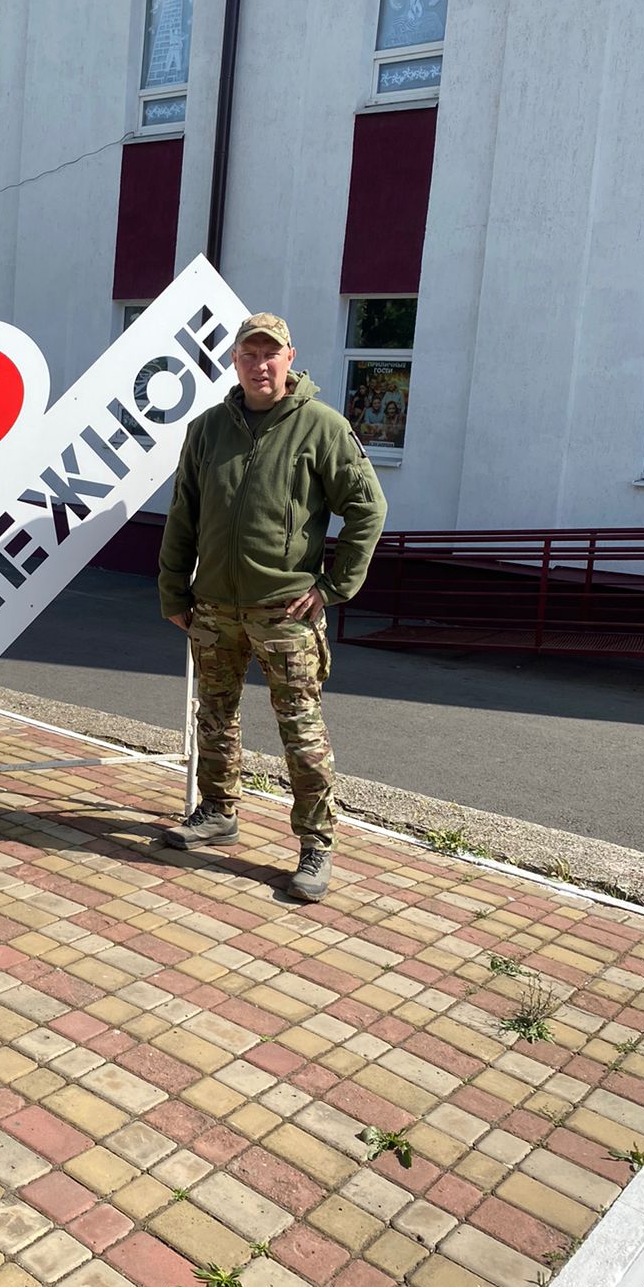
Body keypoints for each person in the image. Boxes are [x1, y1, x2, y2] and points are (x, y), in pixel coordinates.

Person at [158, 312, 387, 901]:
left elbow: (368, 508)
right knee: (214, 716)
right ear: (234, 361)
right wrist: (173, 591)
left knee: (301, 731)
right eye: (248, 354)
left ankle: (316, 844)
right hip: (213, 609)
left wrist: (334, 588)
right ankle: (217, 811)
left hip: (285, 613)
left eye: (270, 354)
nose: (259, 365)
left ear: (290, 357)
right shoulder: (207, 430)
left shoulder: (321, 428)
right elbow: (183, 513)